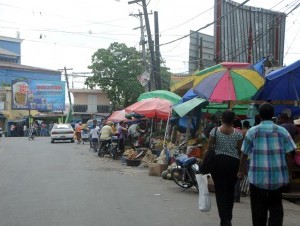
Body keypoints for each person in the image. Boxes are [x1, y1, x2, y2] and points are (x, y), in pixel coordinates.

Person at [238, 102, 296, 226]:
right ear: (273, 115)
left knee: (258, 211)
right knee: (276, 210)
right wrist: (289, 175)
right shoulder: (282, 131)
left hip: (257, 179)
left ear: (259, 115)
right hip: (277, 179)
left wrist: (241, 171)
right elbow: (289, 154)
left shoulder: (252, 132)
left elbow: (244, 154)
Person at [206, 110, 243, 226]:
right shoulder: (238, 133)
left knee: (220, 191)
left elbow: (209, 148)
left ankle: (224, 219)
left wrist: (204, 162)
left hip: (218, 163)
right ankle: (228, 218)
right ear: (233, 120)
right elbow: (240, 151)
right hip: (233, 163)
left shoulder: (215, 131)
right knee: (230, 191)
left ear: (222, 118)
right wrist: (241, 169)